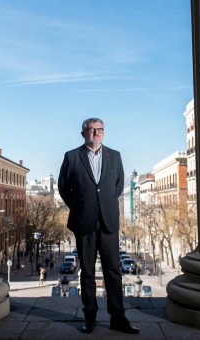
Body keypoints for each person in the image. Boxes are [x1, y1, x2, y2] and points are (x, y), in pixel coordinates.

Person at [58, 117, 140, 335]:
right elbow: (63, 187)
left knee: (113, 271)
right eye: (91, 130)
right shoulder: (71, 156)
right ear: (83, 133)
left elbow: (118, 185)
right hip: (84, 222)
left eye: (100, 130)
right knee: (87, 272)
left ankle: (118, 318)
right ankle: (90, 317)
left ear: (104, 132)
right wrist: (80, 206)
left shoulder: (115, 156)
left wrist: (105, 205)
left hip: (108, 222)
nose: (96, 133)